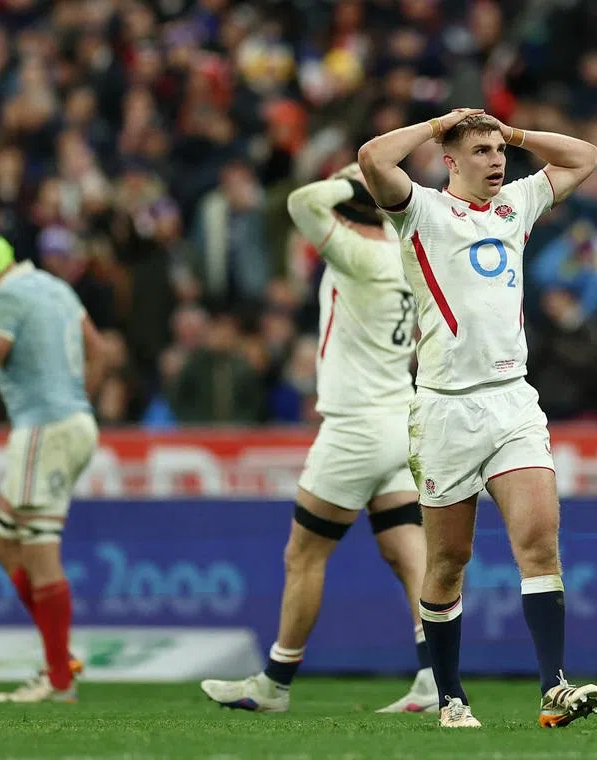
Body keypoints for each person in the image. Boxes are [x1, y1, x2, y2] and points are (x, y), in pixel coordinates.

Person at [358, 109, 597, 728]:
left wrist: (518, 133)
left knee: (540, 542)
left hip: (512, 400)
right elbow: (372, 160)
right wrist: (440, 121)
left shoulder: (516, 204)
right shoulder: (420, 212)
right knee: (448, 563)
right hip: (444, 409)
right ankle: (451, 697)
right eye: (483, 151)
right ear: (450, 161)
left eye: (500, 150)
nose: (497, 161)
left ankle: (554, 687)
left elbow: (585, 156)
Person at [200, 165, 437, 714]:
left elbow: (302, 203)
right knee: (407, 551)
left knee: (303, 555)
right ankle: (434, 677)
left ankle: (275, 683)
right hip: (401, 420)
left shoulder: (358, 254)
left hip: (355, 426)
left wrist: (353, 183)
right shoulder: (408, 253)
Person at [0, 232, 103, 703]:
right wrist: (78, 403)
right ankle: (61, 661)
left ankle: (59, 679)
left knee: (38, 551)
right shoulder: (53, 285)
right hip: (75, 422)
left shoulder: (4, 297)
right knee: (3, 538)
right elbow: (97, 350)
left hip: (43, 430)